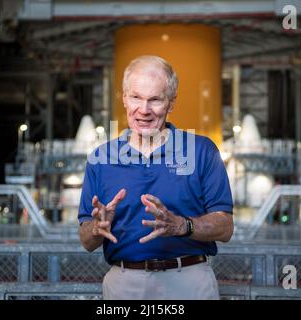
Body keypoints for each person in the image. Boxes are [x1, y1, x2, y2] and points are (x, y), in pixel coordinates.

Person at [78, 55, 233, 300]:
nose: (144, 110)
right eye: (136, 97)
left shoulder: (202, 151)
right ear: (124, 99)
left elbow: (225, 227)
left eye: (156, 100)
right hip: (124, 283)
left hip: (188, 281)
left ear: (171, 103)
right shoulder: (101, 158)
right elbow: (86, 241)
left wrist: (182, 226)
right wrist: (97, 227)